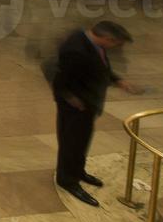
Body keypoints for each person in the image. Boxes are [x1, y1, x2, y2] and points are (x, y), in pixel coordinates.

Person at [50, 21, 140, 206]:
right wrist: (70, 97)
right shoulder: (75, 49)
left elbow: (100, 66)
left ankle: (78, 170)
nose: (116, 48)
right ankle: (67, 180)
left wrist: (117, 80)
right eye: (116, 44)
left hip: (87, 104)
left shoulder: (91, 43)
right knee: (71, 142)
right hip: (76, 106)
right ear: (107, 38)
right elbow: (57, 75)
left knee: (82, 140)